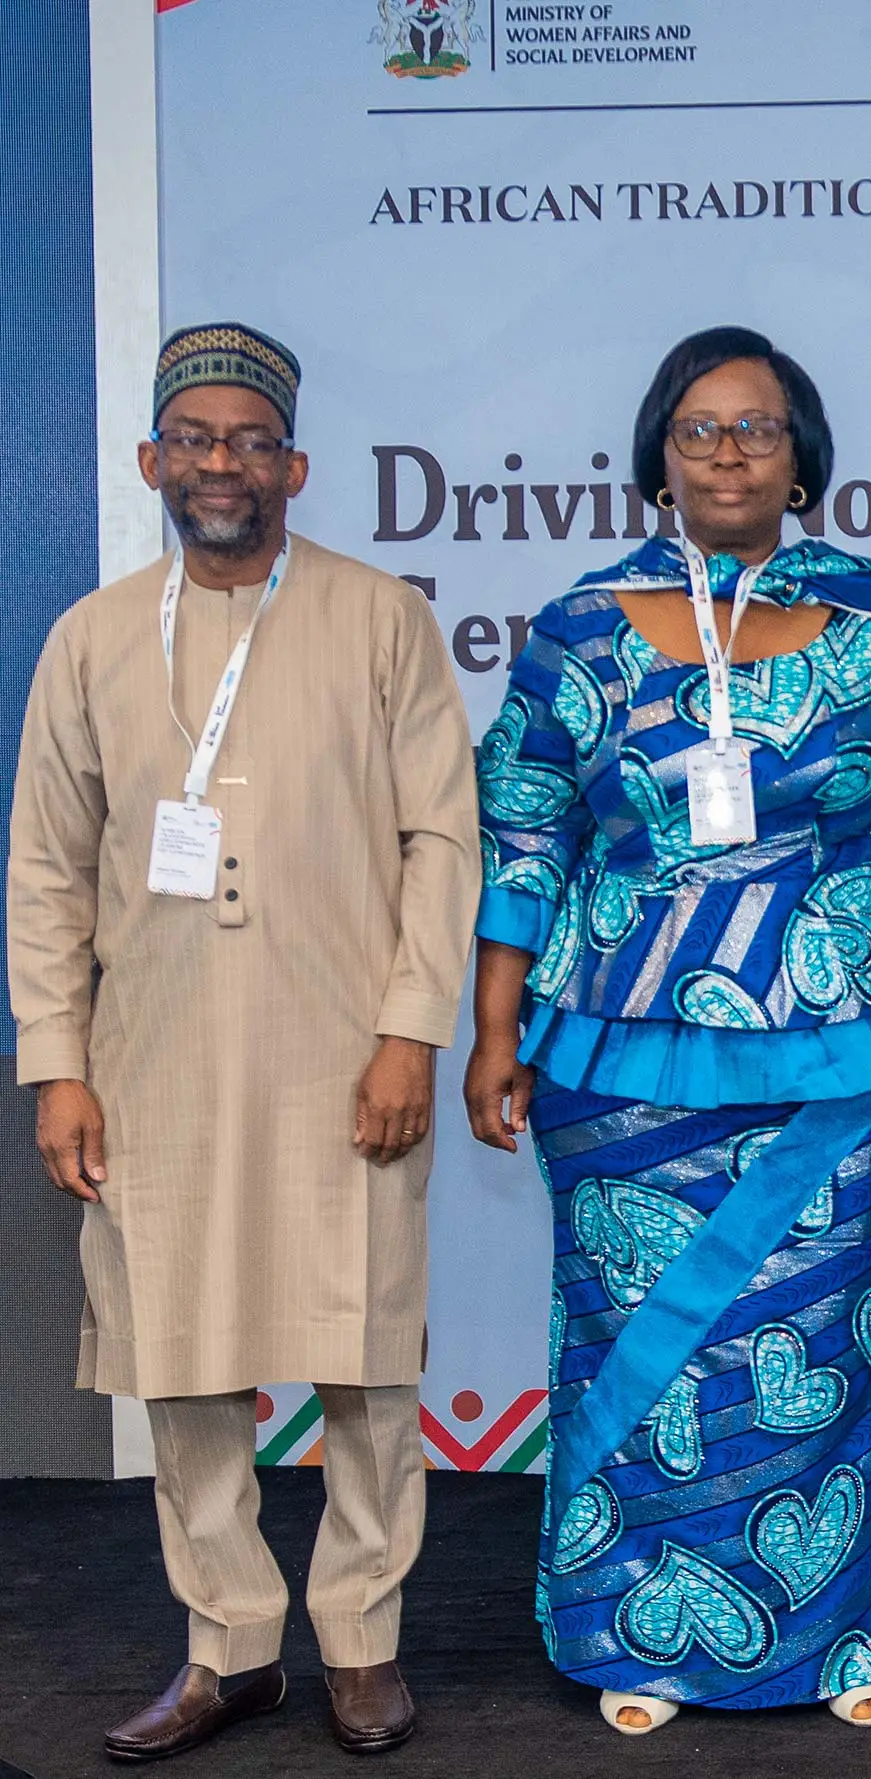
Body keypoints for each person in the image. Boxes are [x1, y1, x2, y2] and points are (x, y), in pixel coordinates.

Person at [461, 326, 871, 1735]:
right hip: (618, 1051)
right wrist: (488, 1029)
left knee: (849, 1331)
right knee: (641, 1336)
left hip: (861, 1047)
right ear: (658, 451)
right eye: (700, 427)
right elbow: (521, 838)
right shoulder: (577, 628)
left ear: (803, 457)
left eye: (757, 428)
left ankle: (854, 1628)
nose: (726, 450)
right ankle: (639, 1631)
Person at [9, 323, 479, 1760]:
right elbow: (46, 867)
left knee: (363, 1364)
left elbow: (440, 837)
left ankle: (359, 1643)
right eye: (197, 440)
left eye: (251, 441)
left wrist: (410, 1031)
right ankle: (228, 1645)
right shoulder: (94, 634)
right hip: (152, 1066)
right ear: (154, 461)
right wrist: (58, 1063)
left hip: (346, 1061)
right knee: (186, 1368)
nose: (224, 463)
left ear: (296, 465)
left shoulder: (376, 615)